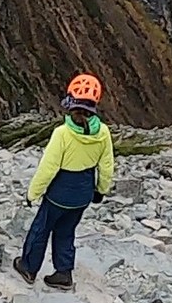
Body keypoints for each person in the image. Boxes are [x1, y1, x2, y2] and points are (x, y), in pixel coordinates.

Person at [15, 73, 115, 291]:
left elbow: (47, 168)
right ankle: (63, 273)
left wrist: (33, 193)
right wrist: (101, 190)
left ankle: (29, 267)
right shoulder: (104, 132)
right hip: (83, 194)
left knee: (41, 229)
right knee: (66, 232)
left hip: (59, 193)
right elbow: (106, 166)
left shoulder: (63, 133)